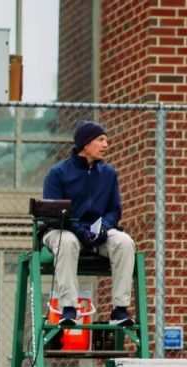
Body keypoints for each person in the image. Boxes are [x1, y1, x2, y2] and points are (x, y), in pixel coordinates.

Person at [42, 120, 137, 327]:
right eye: (100, 140)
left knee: (124, 242)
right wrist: (78, 229)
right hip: (62, 230)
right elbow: (54, 213)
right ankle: (68, 309)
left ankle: (119, 310)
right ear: (85, 144)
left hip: (97, 233)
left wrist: (104, 228)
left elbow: (115, 209)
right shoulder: (58, 173)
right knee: (66, 242)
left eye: (106, 140)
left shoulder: (109, 174)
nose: (106, 145)